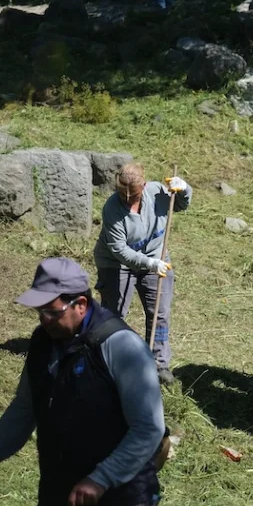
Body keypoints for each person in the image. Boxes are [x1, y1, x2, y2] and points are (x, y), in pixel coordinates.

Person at [0, 258, 166, 506]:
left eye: (51, 311)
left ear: (81, 304)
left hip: (119, 504)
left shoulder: (122, 347)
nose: (43, 320)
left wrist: (102, 478)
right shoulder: (43, 342)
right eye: (39, 312)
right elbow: (24, 410)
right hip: (59, 496)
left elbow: (149, 428)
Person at [93, 162, 191, 385]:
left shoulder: (158, 192)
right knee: (113, 314)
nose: (127, 198)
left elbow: (182, 205)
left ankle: (158, 365)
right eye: (122, 193)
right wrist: (149, 263)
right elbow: (119, 249)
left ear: (144, 186)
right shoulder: (111, 209)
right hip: (116, 263)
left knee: (159, 314)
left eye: (133, 195)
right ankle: (107, 362)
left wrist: (184, 189)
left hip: (157, 257)